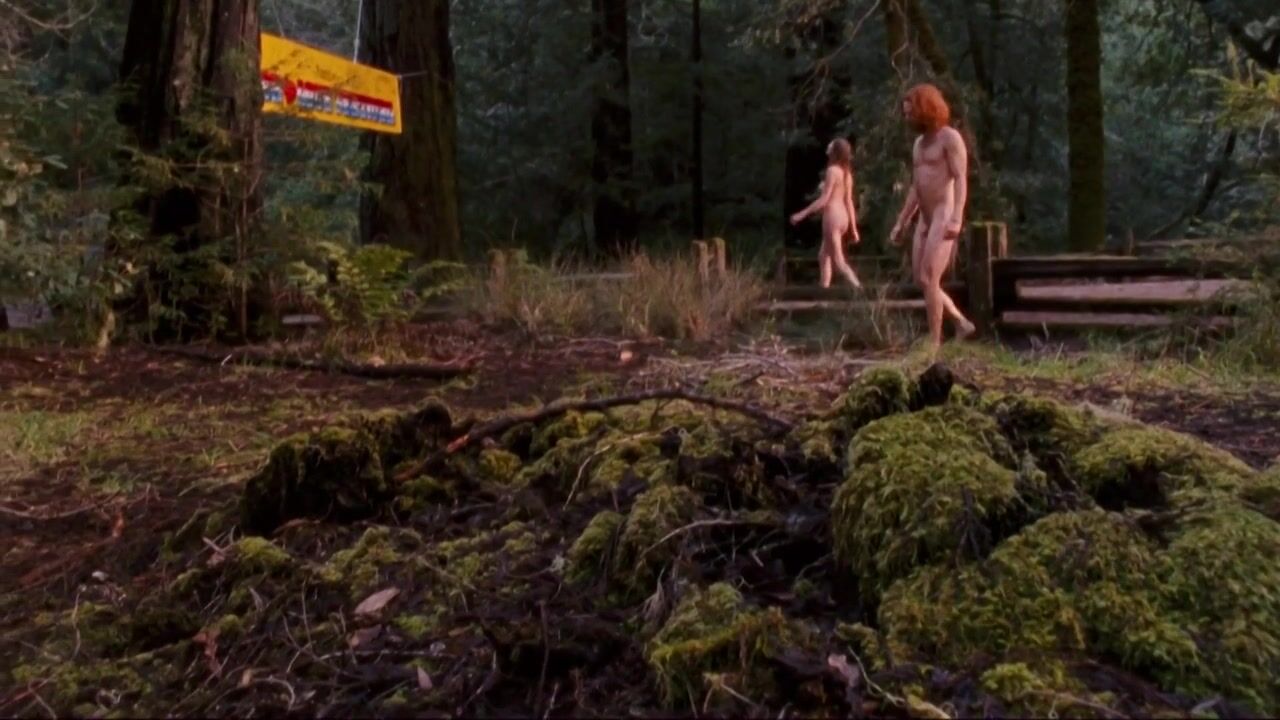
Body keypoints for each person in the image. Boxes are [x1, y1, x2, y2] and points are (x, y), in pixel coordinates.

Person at [888, 83, 976, 352]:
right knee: (921, 279)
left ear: (925, 109)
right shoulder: (918, 144)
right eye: (905, 113)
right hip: (924, 218)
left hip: (943, 213)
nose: (907, 118)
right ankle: (961, 323)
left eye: (910, 112)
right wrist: (902, 221)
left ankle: (934, 344)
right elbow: (916, 187)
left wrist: (957, 218)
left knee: (929, 277)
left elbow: (961, 179)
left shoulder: (949, 138)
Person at [790, 138, 863, 289]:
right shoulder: (846, 174)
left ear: (835, 152)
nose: (828, 146)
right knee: (823, 256)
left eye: (831, 145)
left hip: (832, 217)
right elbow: (849, 201)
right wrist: (853, 227)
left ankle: (859, 289)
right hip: (843, 218)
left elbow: (824, 199)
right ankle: (824, 289)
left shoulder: (832, 171)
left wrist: (802, 214)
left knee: (839, 261)